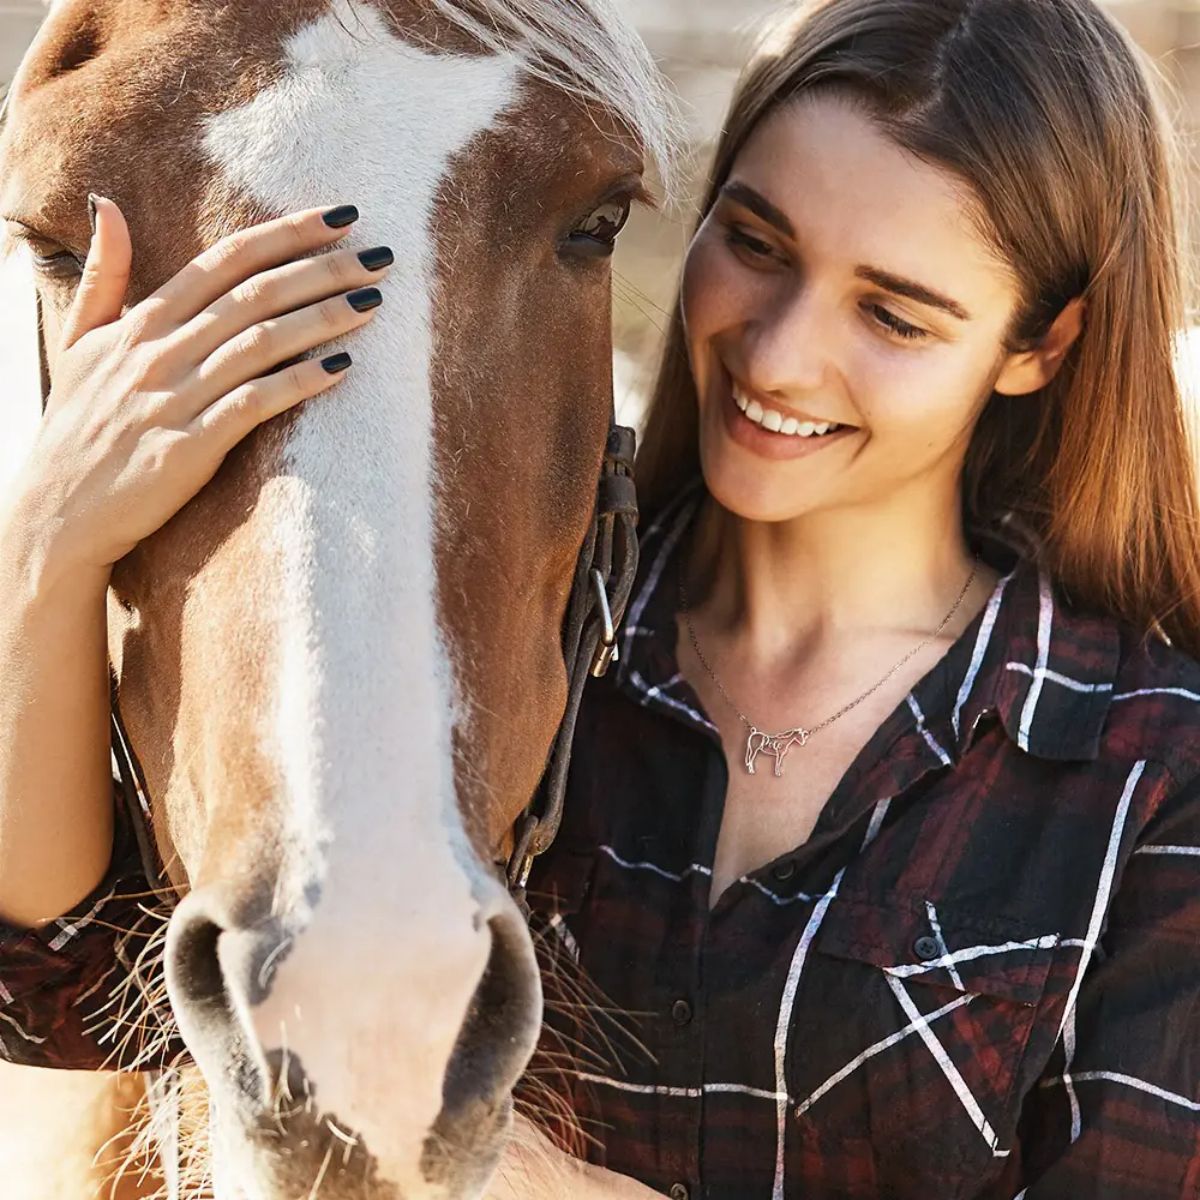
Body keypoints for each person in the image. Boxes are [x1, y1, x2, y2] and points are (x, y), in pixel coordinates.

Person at [3, 0, 1199, 1197]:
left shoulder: (1148, 773)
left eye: (892, 313)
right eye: (758, 245)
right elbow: (57, 991)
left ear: (1040, 344)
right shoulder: (512, 630)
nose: (776, 358)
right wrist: (48, 538)